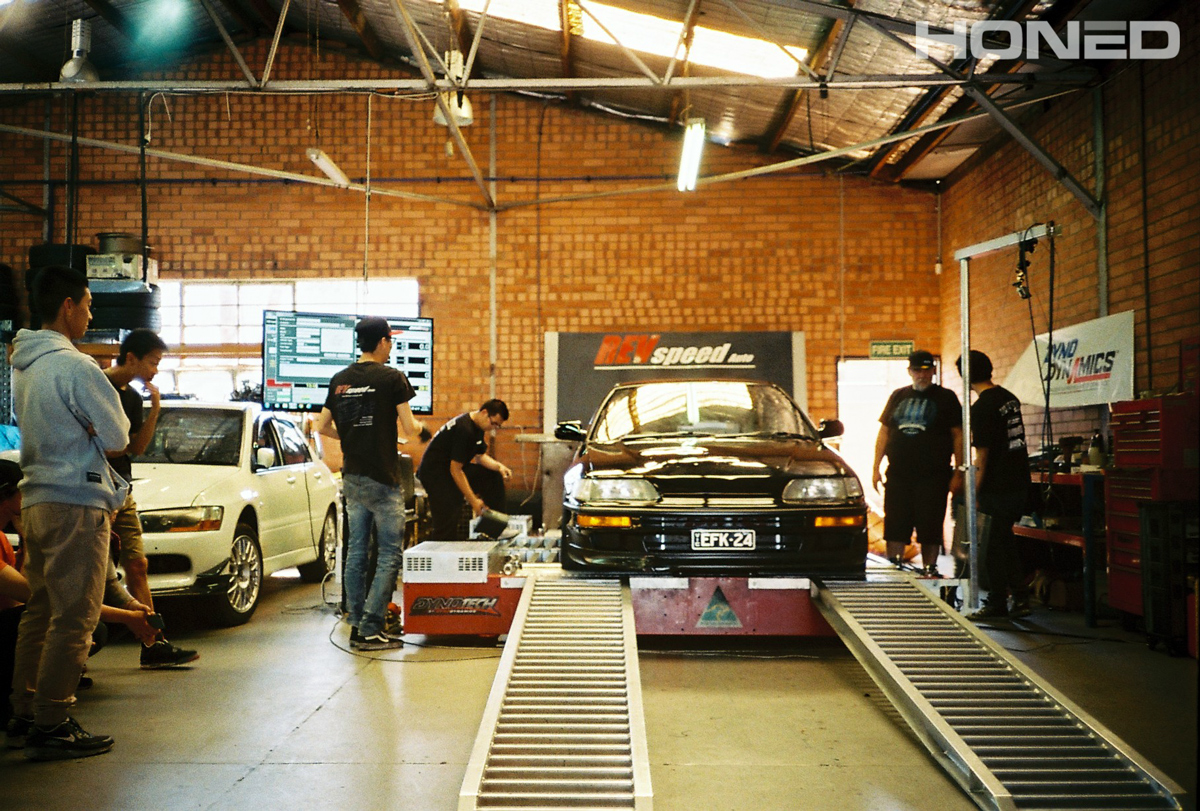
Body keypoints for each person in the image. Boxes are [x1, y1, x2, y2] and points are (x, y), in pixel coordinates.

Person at [8, 265, 131, 761]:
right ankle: (54, 718)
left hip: (35, 497)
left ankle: (24, 706)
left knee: (39, 610)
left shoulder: (26, 365)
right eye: (88, 304)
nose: (90, 313)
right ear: (68, 306)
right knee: (75, 617)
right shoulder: (77, 367)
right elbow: (119, 438)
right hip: (76, 501)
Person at [314, 317, 424, 652]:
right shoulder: (392, 378)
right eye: (390, 341)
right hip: (383, 478)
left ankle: (356, 620)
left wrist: (351, 436)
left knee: (357, 552)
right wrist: (417, 428)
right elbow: (409, 428)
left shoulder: (340, 379)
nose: (391, 347)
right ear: (381, 342)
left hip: (353, 477)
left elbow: (322, 426)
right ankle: (371, 627)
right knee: (390, 553)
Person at [103, 329, 198, 669]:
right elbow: (106, 446)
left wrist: (155, 408)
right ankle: (79, 652)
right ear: (132, 358)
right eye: (154, 362)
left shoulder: (132, 397)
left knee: (138, 564)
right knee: (95, 574)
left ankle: (153, 642)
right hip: (96, 491)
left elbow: (135, 447)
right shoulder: (97, 387)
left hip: (122, 488)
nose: (156, 370)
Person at [955, 350, 1032, 620]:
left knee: (990, 547)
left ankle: (998, 602)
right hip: (1019, 482)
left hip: (997, 486)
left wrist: (973, 491)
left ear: (965, 377)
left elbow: (983, 456)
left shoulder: (982, 408)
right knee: (1004, 541)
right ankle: (1020, 597)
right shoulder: (1009, 399)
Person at [872, 350, 964, 576]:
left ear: (933, 371)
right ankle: (895, 565)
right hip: (898, 474)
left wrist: (959, 472)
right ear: (909, 372)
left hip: (933, 474)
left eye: (926, 370)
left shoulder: (946, 397)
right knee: (895, 522)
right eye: (916, 370)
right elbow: (884, 432)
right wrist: (875, 467)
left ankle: (929, 568)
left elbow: (958, 435)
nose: (921, 375)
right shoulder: (897, 396)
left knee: (930, 523)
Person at [417, 400, 512, 542]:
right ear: (484, 413)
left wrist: (499, 467)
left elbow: (480, 456)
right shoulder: (465, 429)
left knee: (492, 476)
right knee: (449, 514)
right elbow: (455, 469)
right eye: (493, 423)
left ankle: (495, 526)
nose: (493, 428)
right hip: (435, 474)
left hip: (449, 470)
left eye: (497, 426)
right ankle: (442, 553)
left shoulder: (478, 427)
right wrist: (473, 500)